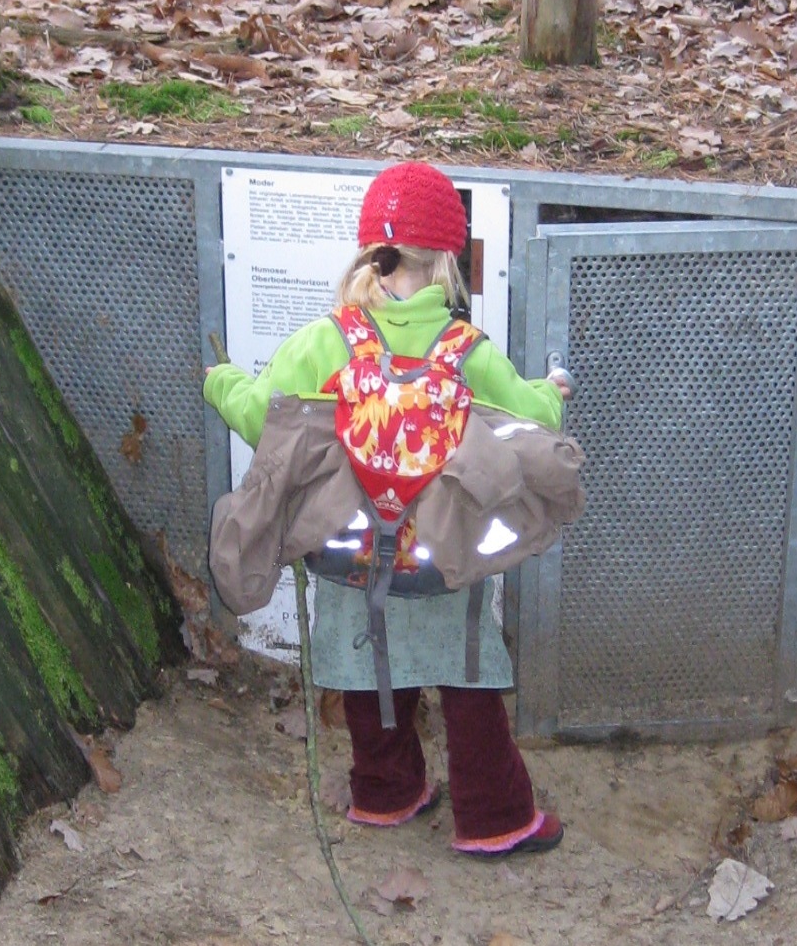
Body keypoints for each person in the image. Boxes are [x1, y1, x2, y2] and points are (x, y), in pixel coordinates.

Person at [203, 161, 571, 857]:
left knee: (370, 662)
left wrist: (222, 382)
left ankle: (385, 792)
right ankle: (494, 815)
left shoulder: (326, 340)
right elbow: (530, 416)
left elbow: (261, 419)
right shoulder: (467, 351)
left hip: (346, 552)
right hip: (440, 555)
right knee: (465, 674)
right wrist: (551, 389)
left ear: (372, 249)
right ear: (447, 260)